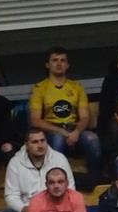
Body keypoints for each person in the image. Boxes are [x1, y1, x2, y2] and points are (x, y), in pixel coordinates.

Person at [28, 47, 102, 176]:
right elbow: (35, 120)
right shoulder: (39, 88)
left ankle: (95, 179)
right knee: (57, 139)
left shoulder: (77, 87)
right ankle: (55, 179)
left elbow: (85, 117)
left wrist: (76, 132)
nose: (59, 63)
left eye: (63, 60)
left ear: (67, 65)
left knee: (92, 139)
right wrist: (60, 131)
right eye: (55, 60)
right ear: (47, 65)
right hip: (51, 132)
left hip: (74, 130)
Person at [1, 128, 75, 212]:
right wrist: (27, 209)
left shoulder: (59, 159)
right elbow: (11, 196)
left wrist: (54, 208)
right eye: (35, 142)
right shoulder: (15, 163)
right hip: (27, 209)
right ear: (26, 145)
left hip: (56, 209)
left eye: (42, 141)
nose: (40, 145)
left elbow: (70, 189)